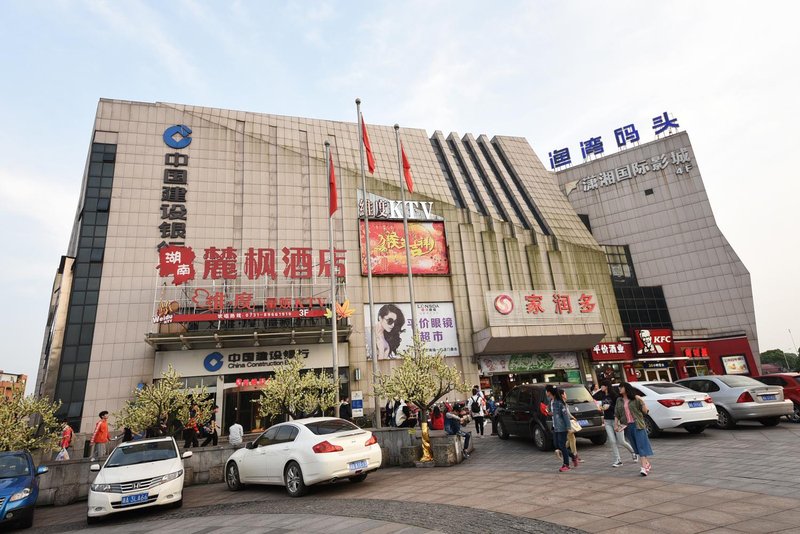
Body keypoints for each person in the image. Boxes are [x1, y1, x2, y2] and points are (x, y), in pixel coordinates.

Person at [615, 382, 654, 476]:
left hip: (638, 425)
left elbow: (645, 411)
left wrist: (642, 401)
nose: (619, 389)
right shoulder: (619, 400)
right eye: (619, 388)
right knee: (636, 446)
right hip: (627, 426)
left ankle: (644, 467)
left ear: (626, 388)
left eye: (621, 387)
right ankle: (647, 463)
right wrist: (616, 424)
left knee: (641, 445)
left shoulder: (636, 398)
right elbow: (617, 413)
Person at [594, 381, 637, 467]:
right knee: (612, 441)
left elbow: (618, 409)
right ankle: (618, 460)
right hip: (607, 421)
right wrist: (601, 408)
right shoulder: (603, 395)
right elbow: (593, 396)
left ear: (606, 386)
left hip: (616, 420)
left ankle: (633, 452)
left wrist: (609, 407)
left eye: (602, 385)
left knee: (621, 441)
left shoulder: (614, 396)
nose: (600, 387)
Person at [548, 388, 576, 472]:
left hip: (561, 427)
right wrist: (550, 413)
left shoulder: (560, 403)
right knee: (557, 445)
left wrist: (568, 427)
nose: (546, 392)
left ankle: (566, 464)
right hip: (555, 426)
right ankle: (573, 456)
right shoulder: (551, 402)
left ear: (550, 392)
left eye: (547, 391)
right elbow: (555, 414)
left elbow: (565, 416)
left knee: (562, 445)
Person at [562, 389, 582, 465]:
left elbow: (568, 413)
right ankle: (575, 455)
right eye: (565, 393)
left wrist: (572, 417)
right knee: (572, 439)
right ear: (562, 395)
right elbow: (565, 414)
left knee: (571, 440)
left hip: (568, 423)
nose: (566, 395)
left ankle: (560, 450)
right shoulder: (561, 404)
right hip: (566, 424)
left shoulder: (564, 403)